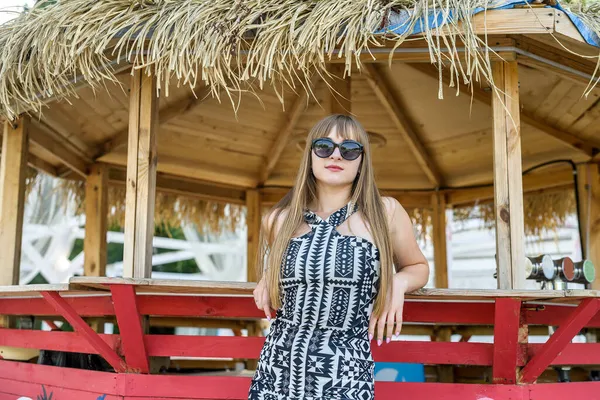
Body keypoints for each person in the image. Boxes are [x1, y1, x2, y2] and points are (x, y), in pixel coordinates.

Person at [248, 114, 430, 400]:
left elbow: (417, 266)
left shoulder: (386, 213)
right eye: (324, 146)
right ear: (310, 156)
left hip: (346, 372)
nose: (336, 155)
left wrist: (398, 282)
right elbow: (291, 272)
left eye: (349, 149)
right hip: (278, 370)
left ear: (361, 161)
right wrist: (267, 276)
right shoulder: (279, 219)